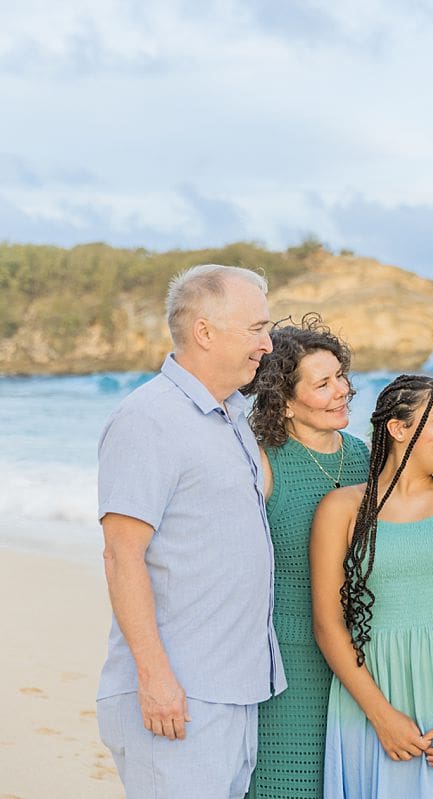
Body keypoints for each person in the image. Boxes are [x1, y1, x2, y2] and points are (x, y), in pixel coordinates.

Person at [96, 263, 286, 798]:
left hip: (233, 689)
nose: (267, 344)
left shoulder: (231, 417)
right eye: (256, 329)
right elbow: (121, 554)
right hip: (178, 694)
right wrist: (156, 680)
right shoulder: (149, 419)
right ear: (204, 332)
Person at [311, 375, 433, 798]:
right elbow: (328, 624)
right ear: (398, 429)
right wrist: (381, 716)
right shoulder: (341, 509)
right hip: (369, 697)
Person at [242, 314, 370, 798]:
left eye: (341, 376)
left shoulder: (368, 456)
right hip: (287, 657)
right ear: (286, 403)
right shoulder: (260, 462)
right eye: (323, 383)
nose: (342, 390)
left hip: (363, 657)